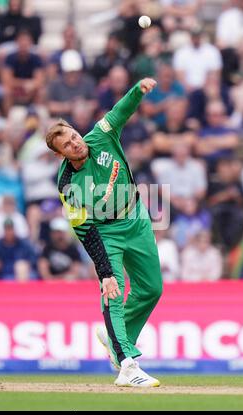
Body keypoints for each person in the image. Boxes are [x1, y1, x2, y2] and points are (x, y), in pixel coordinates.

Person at [45, 78, 162, 388]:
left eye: (73, 135)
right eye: (67, 145)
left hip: (136, 218)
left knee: (152, 289)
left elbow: (120, 111)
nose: (74, 142)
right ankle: (126, 365)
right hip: (105, 231)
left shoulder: (100, 135)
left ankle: (115, 341)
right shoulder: (67, 185)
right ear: (61, 155)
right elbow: (85, 230)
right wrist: (105, 271)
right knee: (112, 291)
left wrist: (138, 90)